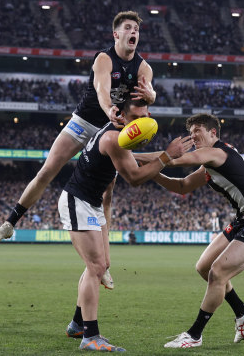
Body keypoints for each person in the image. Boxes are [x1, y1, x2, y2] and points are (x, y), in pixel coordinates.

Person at [0, 10, 157, 289]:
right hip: (85, 121)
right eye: (128, 27)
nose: (133, 32)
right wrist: (108, 110)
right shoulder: (104, 58)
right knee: (48, 170)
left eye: (136, 28)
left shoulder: (144, 68)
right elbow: (102, 90)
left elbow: (149, 92)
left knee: (107, 194)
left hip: (111, 132)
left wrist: (152, 95)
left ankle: (105, 263)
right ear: (116, 34)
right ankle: (10, 223)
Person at [61, 98, 193, 352]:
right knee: (96, 266)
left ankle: (78, 324)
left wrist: (178, 157)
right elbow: (134, 177)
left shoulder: (120, 135)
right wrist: (167, 156)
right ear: (120, 115)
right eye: (136, 118)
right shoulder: (114, 139)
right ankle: (90, 337)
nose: (141, 123)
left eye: (145, 117)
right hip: (77, 201)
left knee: (100, 265)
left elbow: (135, 160)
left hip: (92, 203)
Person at [144, 113, 244, 348]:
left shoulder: (217, 152)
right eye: (191, 131)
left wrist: (128, 155)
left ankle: (194, 335)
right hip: (243, 221)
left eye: (198, 131)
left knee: (217, 273)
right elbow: (182, 186)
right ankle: (242, 311)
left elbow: (175, 160)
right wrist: (151, 172)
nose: (193, 136)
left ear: (213, 133)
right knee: (203, 268)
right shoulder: (211, 163)